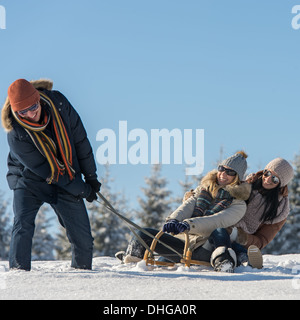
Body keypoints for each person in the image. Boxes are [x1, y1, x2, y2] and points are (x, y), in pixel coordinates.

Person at [1, 79, 101, 271]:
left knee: (83, 238)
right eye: (23, 112)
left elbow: (80, 141)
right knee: (23, 225)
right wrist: (82, 189)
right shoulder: (16, 133)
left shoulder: (60, 105)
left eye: (33, 107)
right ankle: (19, 276)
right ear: (15, 111)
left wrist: (91, 177)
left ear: (39, 99)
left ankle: (83, 278)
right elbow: (47, 171)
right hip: (28, 179)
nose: (30, 114)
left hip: (66, 173)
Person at [117, 151, 251, 272]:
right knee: (142, 233)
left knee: (220, 231)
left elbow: (216, 220)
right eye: (222, 169)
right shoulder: (202, 190)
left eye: (230, 172)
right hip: (182, 244)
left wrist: (189, 224)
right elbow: (187, 206)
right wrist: (173, 220)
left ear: (237, 177)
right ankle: (131, 262)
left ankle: (225, 262)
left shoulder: (238, 204)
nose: (223, 174)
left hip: (205, 247)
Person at [208, 157, 294, 271]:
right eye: (267, 173)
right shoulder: (245, 185)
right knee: (220, 232)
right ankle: (230, 259)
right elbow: (219, 193)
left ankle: (242, 259)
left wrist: (240, 236)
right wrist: (195, 196)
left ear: (281, 183)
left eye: (274, 179)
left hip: (242, 241)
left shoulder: (279, 210)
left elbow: (262, 240)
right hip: (221, 226)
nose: (268, 179)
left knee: (235, 245)